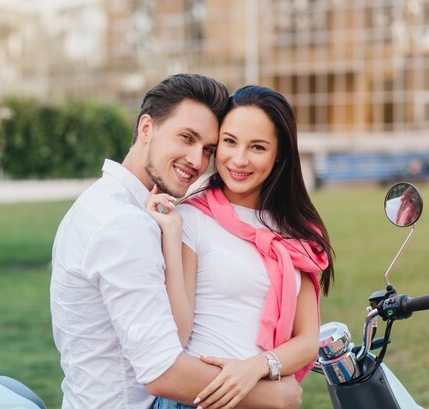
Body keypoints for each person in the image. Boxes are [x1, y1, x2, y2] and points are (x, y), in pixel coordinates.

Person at [50, 75, 303, 409]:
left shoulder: (107, 203)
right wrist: (272, 396)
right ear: (146, 128)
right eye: (186, 138)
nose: (196, 161)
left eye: (208, 149)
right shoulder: (124, 223)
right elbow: (162, 371)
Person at [146, 85, 335, 409]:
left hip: (261, 396)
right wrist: (173, 233)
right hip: (198, 400)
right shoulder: (193, 218)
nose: (239, 159)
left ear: (279, 156)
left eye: (258, 147)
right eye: (230, 142)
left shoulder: (293, 231)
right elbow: (178, 332)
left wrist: (256, 367)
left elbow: (307, 341)